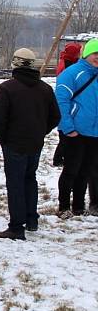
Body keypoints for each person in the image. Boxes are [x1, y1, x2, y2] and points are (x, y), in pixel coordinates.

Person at [0, 48, 60, 239]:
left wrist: (2, 138)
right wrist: (40, 132)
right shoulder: (45, 89)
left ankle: (16, 226)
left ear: (15, 63)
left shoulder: (7, 88)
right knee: (30, 179)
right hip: (35, 143)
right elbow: (55, 116)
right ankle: (31, 219)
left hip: (13, 143)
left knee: (15, 183)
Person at [54, 38, 98, 218]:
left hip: (94, 133)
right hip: (75, 132)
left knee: (85, 171)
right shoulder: (72, 73)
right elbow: (61, 101)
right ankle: (64, 206)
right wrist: (68, 127)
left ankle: (79, 206)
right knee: (71, 170)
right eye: (96, 54)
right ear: (87, 54)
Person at [52, 42, 81, 167]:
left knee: (65, 137)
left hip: (70, 101)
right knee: (64, 136)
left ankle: (60, 157)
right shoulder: (67, 66)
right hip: (67, 101)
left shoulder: (67, 61)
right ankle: (58, 159)